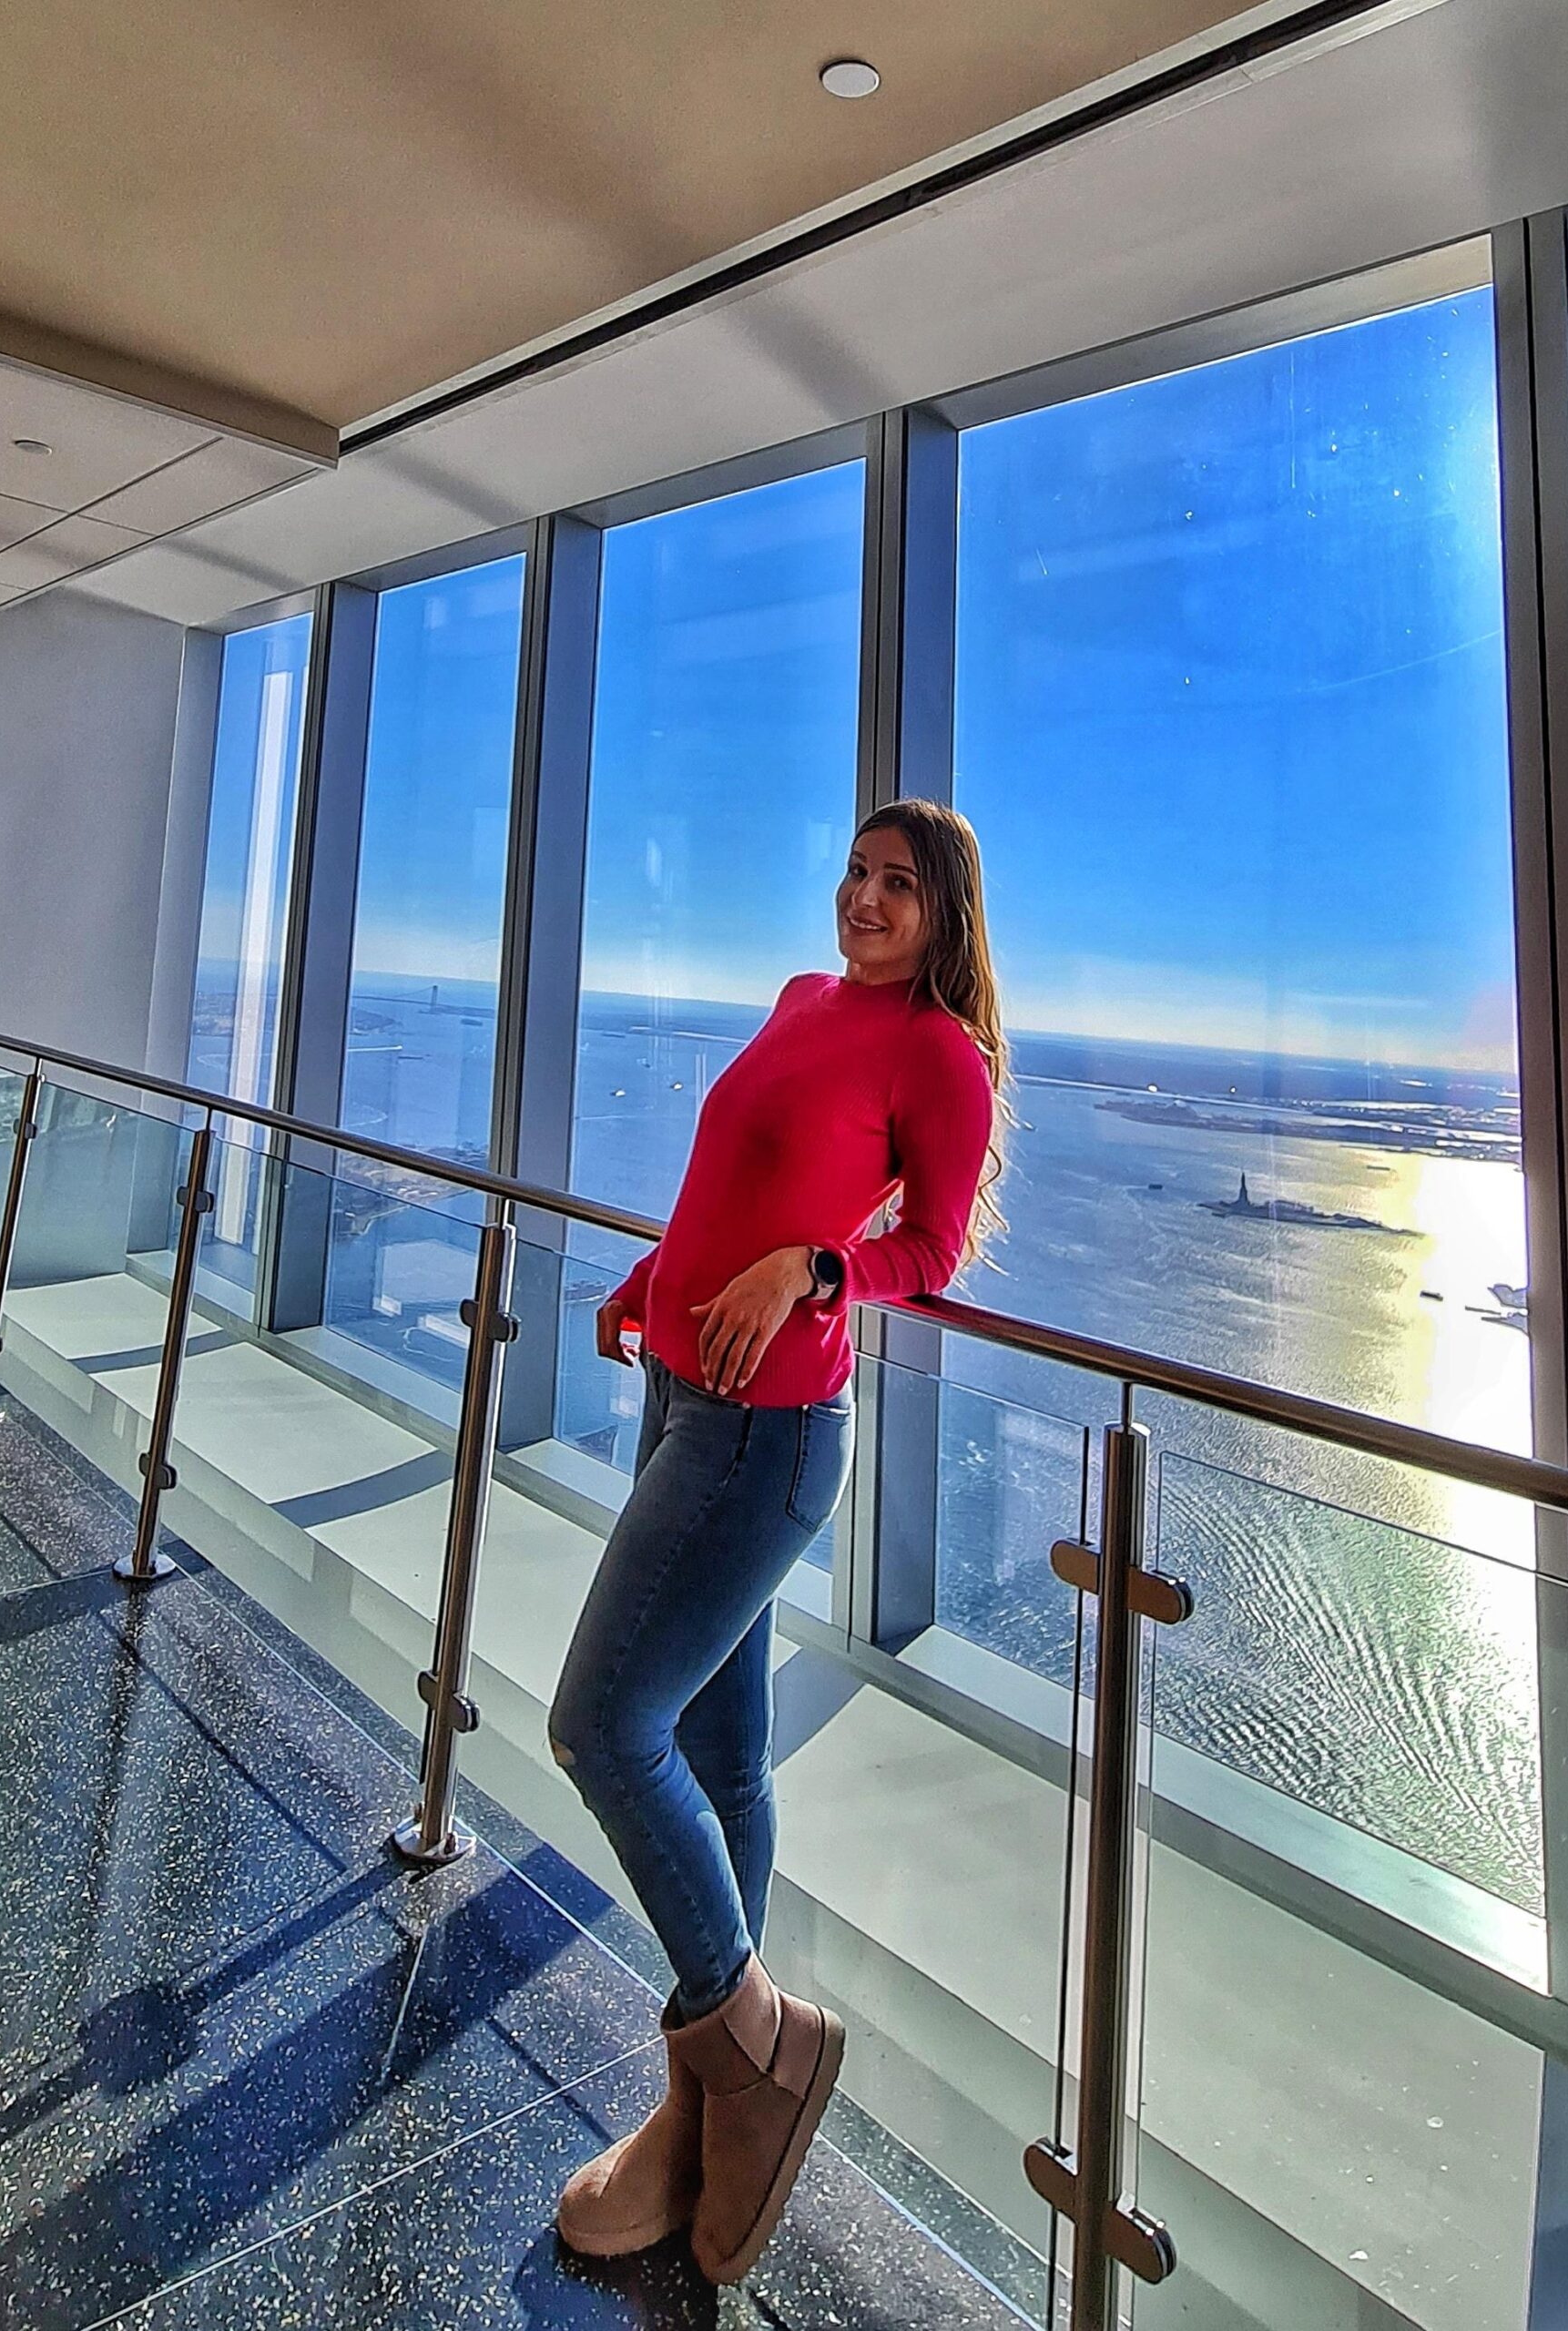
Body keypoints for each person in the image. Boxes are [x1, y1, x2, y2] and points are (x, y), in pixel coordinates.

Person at [547, 799, 1008, 2285]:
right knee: (724, 1758)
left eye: (899, 885)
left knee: (603, 1726)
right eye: (857, 873)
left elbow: (926, 1248)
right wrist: (659, 1275)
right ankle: (699, 2112)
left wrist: (814, 1267)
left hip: (769, 1434)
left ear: (943, 914)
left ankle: (755, 2052)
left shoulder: (937, 1054)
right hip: (682, 1393)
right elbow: (734, 1181)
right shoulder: (804, 997)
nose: (865, 900)